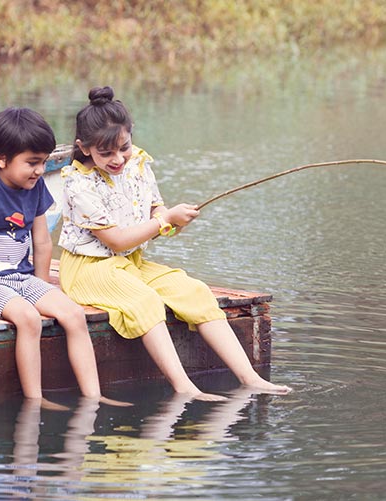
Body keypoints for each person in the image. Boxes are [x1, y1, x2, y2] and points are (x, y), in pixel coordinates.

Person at [58, 86, 292, 401]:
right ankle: (184, 387)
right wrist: (163, 220)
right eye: (106, 153)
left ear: (131, 137)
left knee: (193, 291)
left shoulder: (137, 164)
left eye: (123, 147)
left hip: (130, 264)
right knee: (145, 301)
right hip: (90, 270)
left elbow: (156, 211)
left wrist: (171, 221)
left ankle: (249, 378)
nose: (118, 159)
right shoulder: (78, 183)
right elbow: (115, 240)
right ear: (85, 149)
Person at [0, 107, 125, 408]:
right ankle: (36, 399)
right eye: (32, 163)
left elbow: (42, 241)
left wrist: (41, 287)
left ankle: (94, 396)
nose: (39, 170)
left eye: (43, 162)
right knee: (29, 319)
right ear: (1, 159)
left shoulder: (36, 186)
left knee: (73, 315)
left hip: (23, 278)